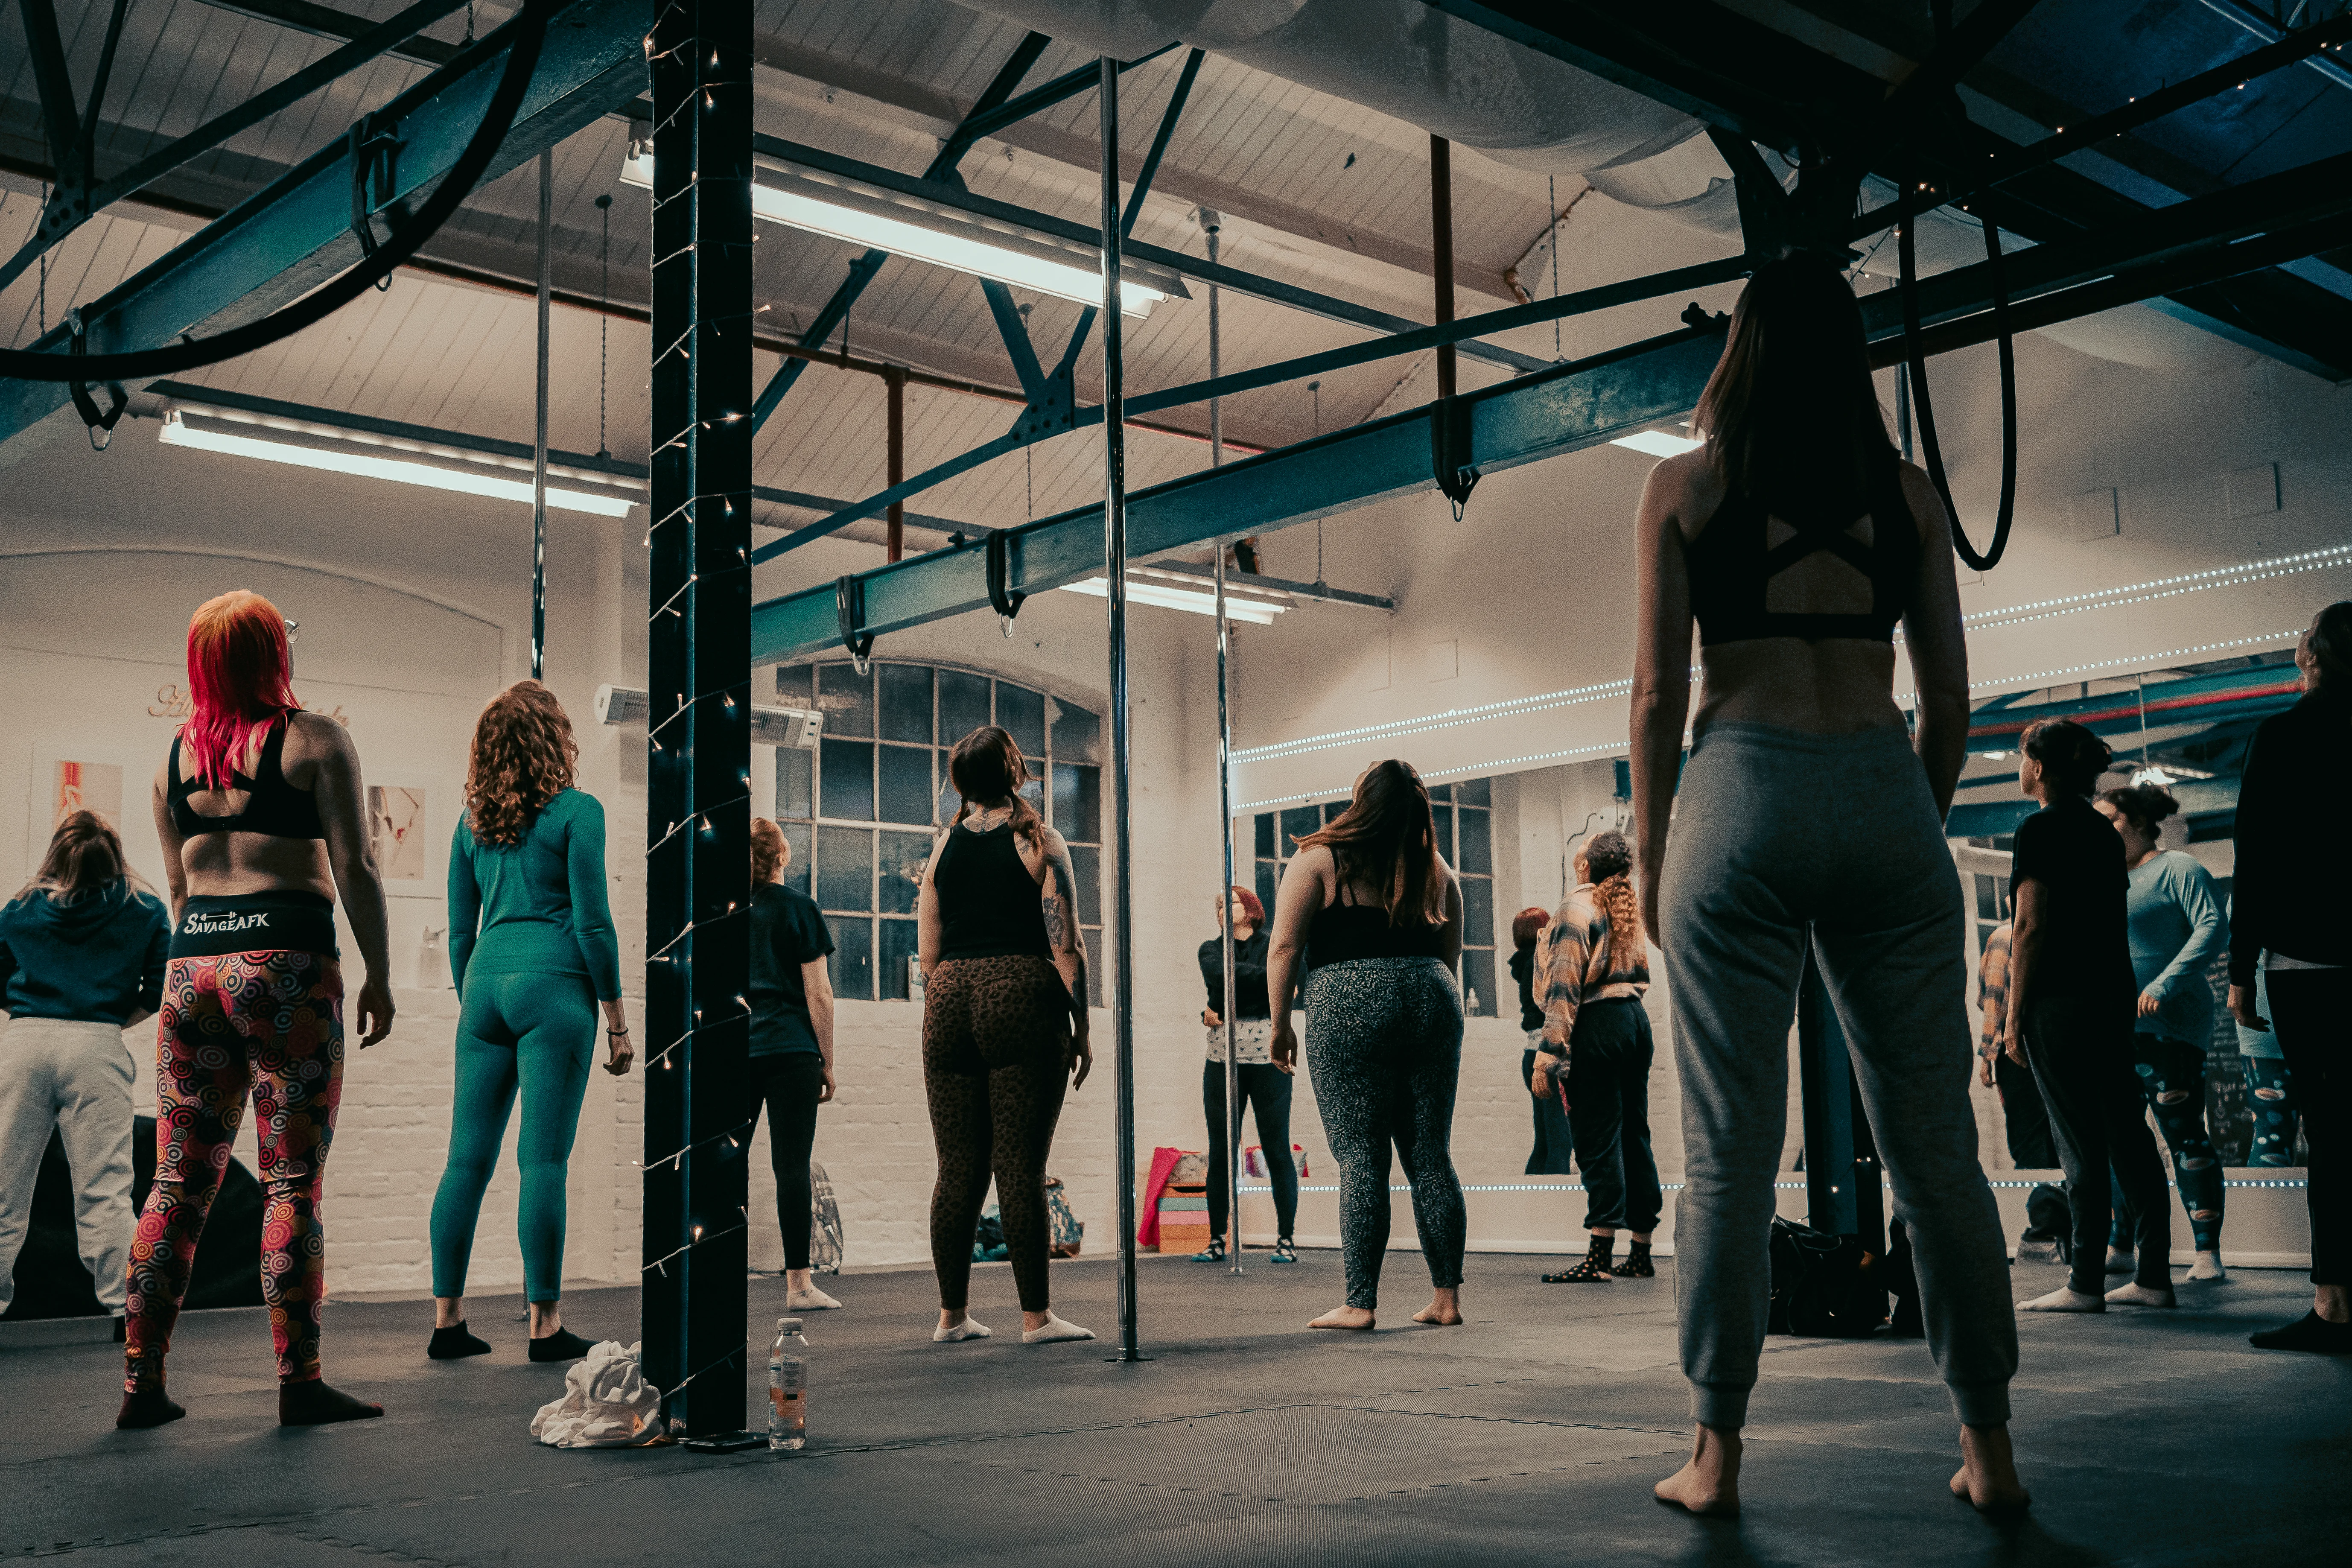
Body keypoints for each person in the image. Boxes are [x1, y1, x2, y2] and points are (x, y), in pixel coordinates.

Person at [1629, 257, 2023, 1516]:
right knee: (1937, 1154)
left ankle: (1715, 1458)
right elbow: (1952, 701)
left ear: (1738, 347)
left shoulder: (1682, 486)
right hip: (1877, 780)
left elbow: (1653, 695)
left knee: (1729, 1161)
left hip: (1737, 788)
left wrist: (1651, 854)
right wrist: (1907, 811)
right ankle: (1992, 1455)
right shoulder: (1903, 494)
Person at [125, 589, 395, 1429]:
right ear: (273, 654)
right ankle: (300, 1382)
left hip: (192, 967)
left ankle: (143, 1385)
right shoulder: (315, 739)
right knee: (291, 1182)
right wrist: (380, 975)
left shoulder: (174, 758)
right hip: (284, 967)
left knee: (175, 1183)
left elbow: (176, 887)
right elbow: (355, 868)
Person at [428, 682, 630, 1364]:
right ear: (557, 740)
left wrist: (475, 1004)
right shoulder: (579, 812)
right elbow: (594, 924)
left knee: (465, 1160)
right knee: (542, 1160)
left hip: (485, 985)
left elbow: (460, 933)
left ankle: (448, 1322)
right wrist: (617, 1019)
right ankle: (545, 1325)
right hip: (555, 987)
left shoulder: (470, 824)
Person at [1266, 759, 1467, 1332]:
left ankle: (1360, 1302)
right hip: (1430, 993)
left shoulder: (1319, 858)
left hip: (1348, 995)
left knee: (1360, 1155)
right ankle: (1446, 1299)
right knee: (1430, 1155)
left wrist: (1281, 1023)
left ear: (1361, 801)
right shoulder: (1435, 868)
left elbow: (1283, 947)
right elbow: (1449, 954)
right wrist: (1422, 1003)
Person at [916, 726, 1093, 1346]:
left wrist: (955, 995)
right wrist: (1082, 1025)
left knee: (957, 1166)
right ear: (1015, 771)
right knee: (1019, 1165)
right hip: (1018, 991)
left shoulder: (941, 849)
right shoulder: (1040, 843)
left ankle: (951, 1316)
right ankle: (1035, 1318)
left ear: (960, 783)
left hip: (949, 1000)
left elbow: (928, 954)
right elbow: (1065, 944)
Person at [2003, 720, 2176, 1314]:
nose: (2017, 766)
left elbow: (2029, 926)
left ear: (2040, 766)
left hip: (2058, 1001)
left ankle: (2083, 1282)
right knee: (2126, 1135)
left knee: (2078, 1142)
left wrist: (2010, 1015)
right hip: (2109, 996)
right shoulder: (2104, 835)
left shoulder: (2037, 828)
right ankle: (2153, 1275)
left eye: (2021, 756)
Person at [2229, 601, 2352, 1353]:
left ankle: (2336, 1302)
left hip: (2307, 963)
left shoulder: (2283, 734)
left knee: (2333, 1133)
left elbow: (2257, 854)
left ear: (2315, 654)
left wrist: (2241, 969)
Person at [0, 813, 169, 1333]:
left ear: (55, 855)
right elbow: (159, 987)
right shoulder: (143, 909)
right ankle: (126, 1309)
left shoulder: (20, 908)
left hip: (24, 1042)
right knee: (106, 1187)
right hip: (97, 1044)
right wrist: (113, 1019)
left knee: (4, 1187)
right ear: (115, 858)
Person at [2095, 783, 2230, 1281]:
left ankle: (2205, 1254)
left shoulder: (2177, 868)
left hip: (2169, 1029)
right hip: (2113, 1030)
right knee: (2119, 1141)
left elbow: (2212, 927)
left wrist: (2163, 984)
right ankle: (2121, 1244)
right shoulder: (2103, 879)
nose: (2101, 829)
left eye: (2108, 819)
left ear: (2135, 821)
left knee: (2182, 1135)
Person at [1531, 831, 1660, 1283]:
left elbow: (1564, 988)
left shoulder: (1576, 906)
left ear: (1585, 865)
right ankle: (1640, 1251)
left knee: (1596, 1137)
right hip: (1633, 1021)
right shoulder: (1624, 906)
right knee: (1633, 1136)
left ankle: (1599, 1255)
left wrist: (1545, 1056)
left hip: (1596, 1026)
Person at [747, 816, 840, 1311]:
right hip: (790, 1051)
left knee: (724, 1167)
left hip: (737, 1052)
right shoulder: (799, 908)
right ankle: (798, 1286)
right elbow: (819, 994)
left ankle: (711, 1276)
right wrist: (827, 1061)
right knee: (790, 1167)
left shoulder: (726, 913)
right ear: (782, 856)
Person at [1193, 884, 1299, 1265]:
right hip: (1222, 1058)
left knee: (1276, 1147)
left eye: (1231, 902)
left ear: (1252, 907)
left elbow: (1290, 974)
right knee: (1220, 1150)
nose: (1224, 909)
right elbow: (1224, 976)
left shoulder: (1276, 943)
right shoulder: (1210, 949)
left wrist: (1239, 982)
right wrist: (1267, 976)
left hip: (1268, 1057)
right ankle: (1216, 1238)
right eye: (1219, 904)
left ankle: (1286, 1239)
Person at [1976, 920, 2064, 1264]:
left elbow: (1995, 998)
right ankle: (2058, 1226)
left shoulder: (2004, 936)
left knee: (2029, 1140)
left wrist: (1987, 1055)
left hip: (2017, 1051)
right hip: (2055, 1046)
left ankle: (2044, 1229)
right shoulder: (2059, 932)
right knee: (2056, 1138)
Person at [1510, 906, 1574, 1176]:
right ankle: (1555, 1210)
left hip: (1531, 1054)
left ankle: (1532, 1203)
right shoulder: (1543, 963)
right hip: (1547, 1056)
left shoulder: (1523, 966)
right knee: (1560, 1141)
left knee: (1545, 1142)